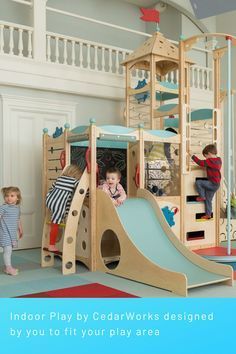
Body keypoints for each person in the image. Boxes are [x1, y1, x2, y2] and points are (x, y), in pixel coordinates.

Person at [46, 164, 82, 252]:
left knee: (58, 214)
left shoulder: (59, 179)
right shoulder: (74, 181)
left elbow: (52, 189)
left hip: (49, 200)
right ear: (77, 175)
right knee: (55, 223)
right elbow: (81, 190)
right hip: (59, 203)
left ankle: (60, 216)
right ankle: (51, 245)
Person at [190, 144, 222, 220]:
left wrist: (192, 156)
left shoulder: (210, 161)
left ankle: (202, 196)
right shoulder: (219, 160)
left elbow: (200, 163)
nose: (205, 158)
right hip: (216, 184)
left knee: (199, 183)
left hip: (212, 183)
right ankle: (208, 214)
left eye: (205, 156)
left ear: (209, 154)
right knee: (208, 200)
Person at [0, 186, 23, 276]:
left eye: (12, 195)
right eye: (6, 196)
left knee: (9, 250)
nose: (9, 198)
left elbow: (18, 219)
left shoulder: (17, 208)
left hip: (12, 233)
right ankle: (8, 268)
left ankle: (7, 267)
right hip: (4, 232)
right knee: (8, 250)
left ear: (17, 198)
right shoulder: (3, 208)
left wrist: (20, 229)